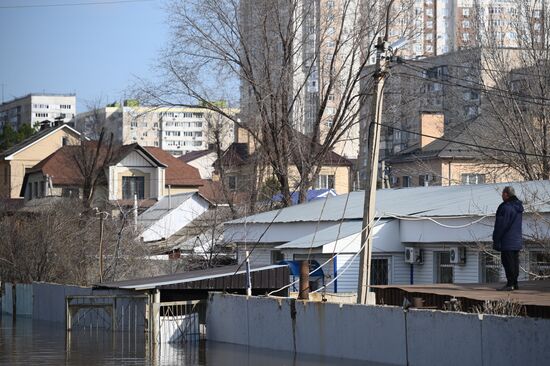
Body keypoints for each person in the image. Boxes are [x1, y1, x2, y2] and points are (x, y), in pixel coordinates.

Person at [492, 186, 524, 291]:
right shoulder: (518, 207)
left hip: (507, 240)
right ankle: (514, 283)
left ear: (506, 194)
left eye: (502, 193)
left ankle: (510, 284)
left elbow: (502, 225)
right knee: (514, 262)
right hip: (516, 239)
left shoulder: (506, 207)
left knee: (507, 262)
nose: (501, 195)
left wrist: (496, 238)